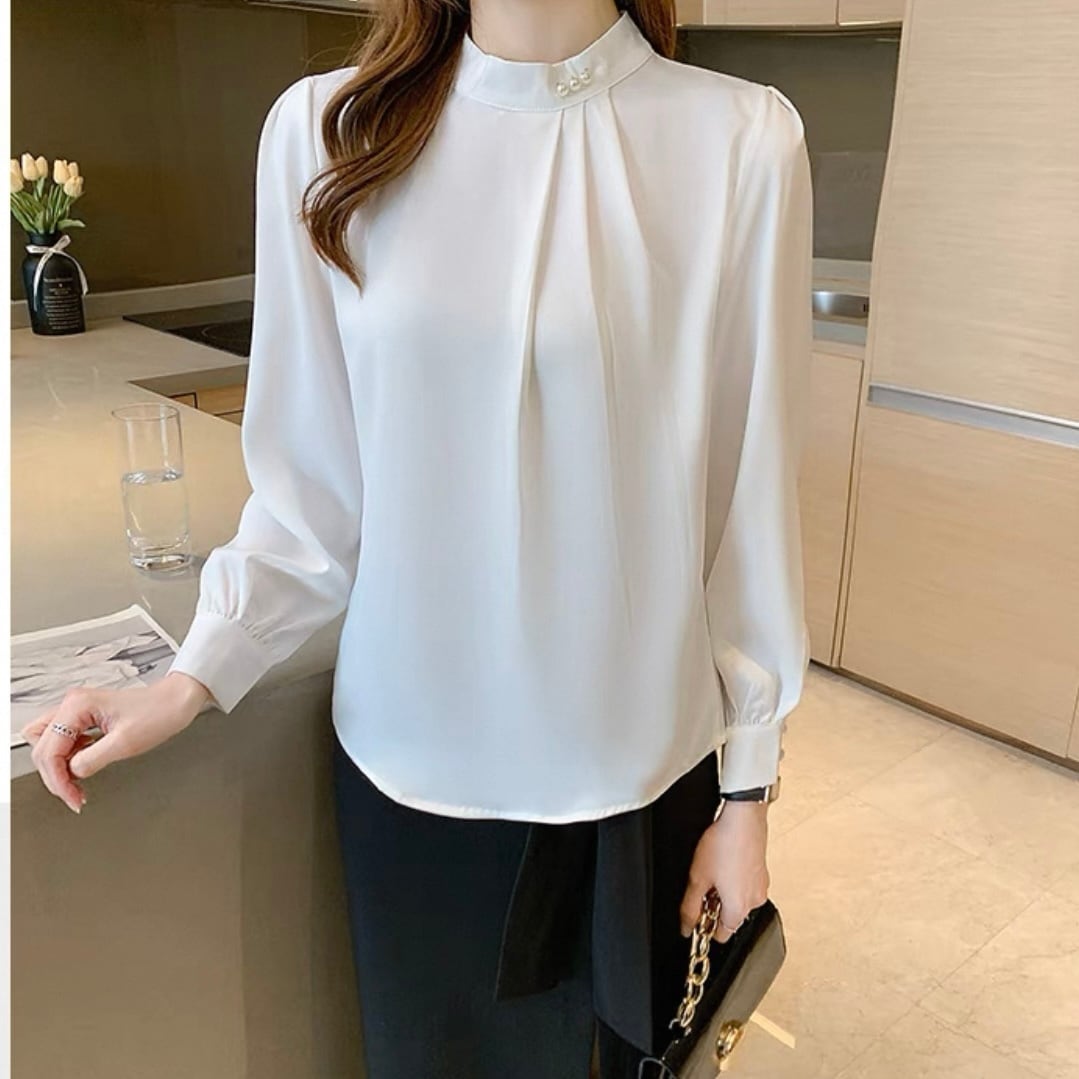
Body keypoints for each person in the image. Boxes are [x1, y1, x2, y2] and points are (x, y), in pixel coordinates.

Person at [21, 1, 814, 1075]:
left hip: (634, 774)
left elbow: (747, 499)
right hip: (406, 767)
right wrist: (189, 675)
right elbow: (312, 490)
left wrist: (746, 791)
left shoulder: (742, 141)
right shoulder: (325, 133)